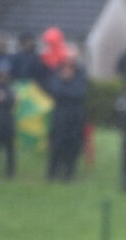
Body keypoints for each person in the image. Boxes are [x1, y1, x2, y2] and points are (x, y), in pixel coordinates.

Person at [45, 46, 88, 181]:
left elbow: (80, 93)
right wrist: (66, 82)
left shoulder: (81, 72)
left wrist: (67, 86)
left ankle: (69, 174)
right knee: (57, 144)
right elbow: (54, 90)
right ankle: (52, 173)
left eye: (73, 58)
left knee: (73, 144)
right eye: (68, 58)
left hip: (75, 114)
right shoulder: (58, 71)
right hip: (60, 114)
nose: (70, 61)